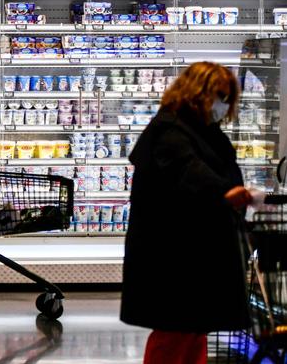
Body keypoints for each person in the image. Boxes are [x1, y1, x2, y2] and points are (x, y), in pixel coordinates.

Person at [120, 62, 252, 364]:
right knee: (174, 332)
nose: (223, 105)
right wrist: (224, 194)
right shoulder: (170, 131)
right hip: (173, 254)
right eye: (219, 96)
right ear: (197, 93)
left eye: (228, 98)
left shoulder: (201, 129)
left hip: (194, 252)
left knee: (194, 330)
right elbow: (189, 173)